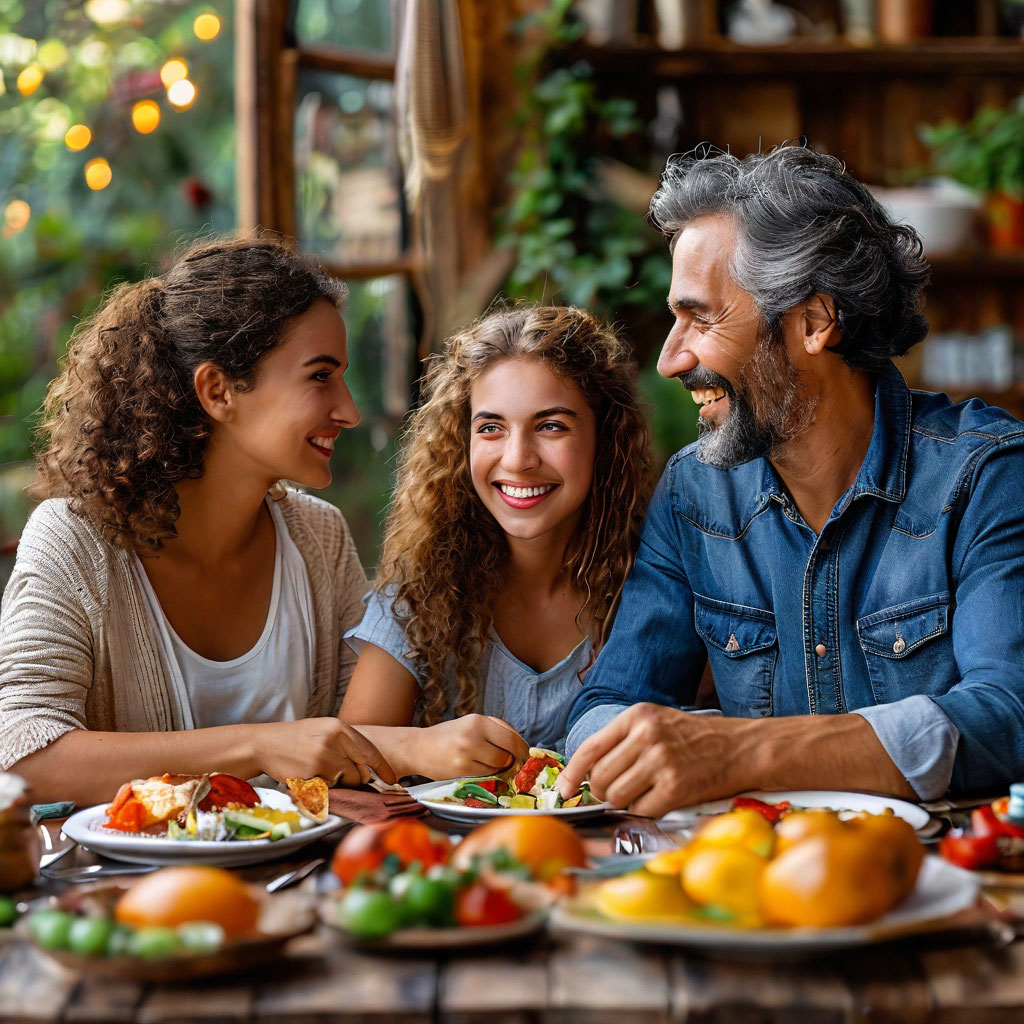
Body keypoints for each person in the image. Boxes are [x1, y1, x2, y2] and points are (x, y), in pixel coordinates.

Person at [557, 144, 1024, 816]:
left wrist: (740, 752)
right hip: (751, 885)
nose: (668, 358)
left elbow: (1008, 716)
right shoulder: (695, 492)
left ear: (814, 322)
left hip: (936, 890)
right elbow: (606, 704)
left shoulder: (984, 476)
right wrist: (632, 747)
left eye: (701, 316)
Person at [0, 234, 396, 804]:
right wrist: (257, 745)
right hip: (125, 890)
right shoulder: (73, 539)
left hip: (298, 882)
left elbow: (347, 738)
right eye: (319, 376)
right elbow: (22, 752)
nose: (349, 409)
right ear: (218, 391)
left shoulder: (319, 536)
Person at [339, 305, 654, 780]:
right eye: (491, 428)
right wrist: (417, 747)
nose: (518, 458)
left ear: (604, 437)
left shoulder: (657, 583)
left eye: (551, 426)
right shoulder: (421, 587)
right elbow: (341, 751)